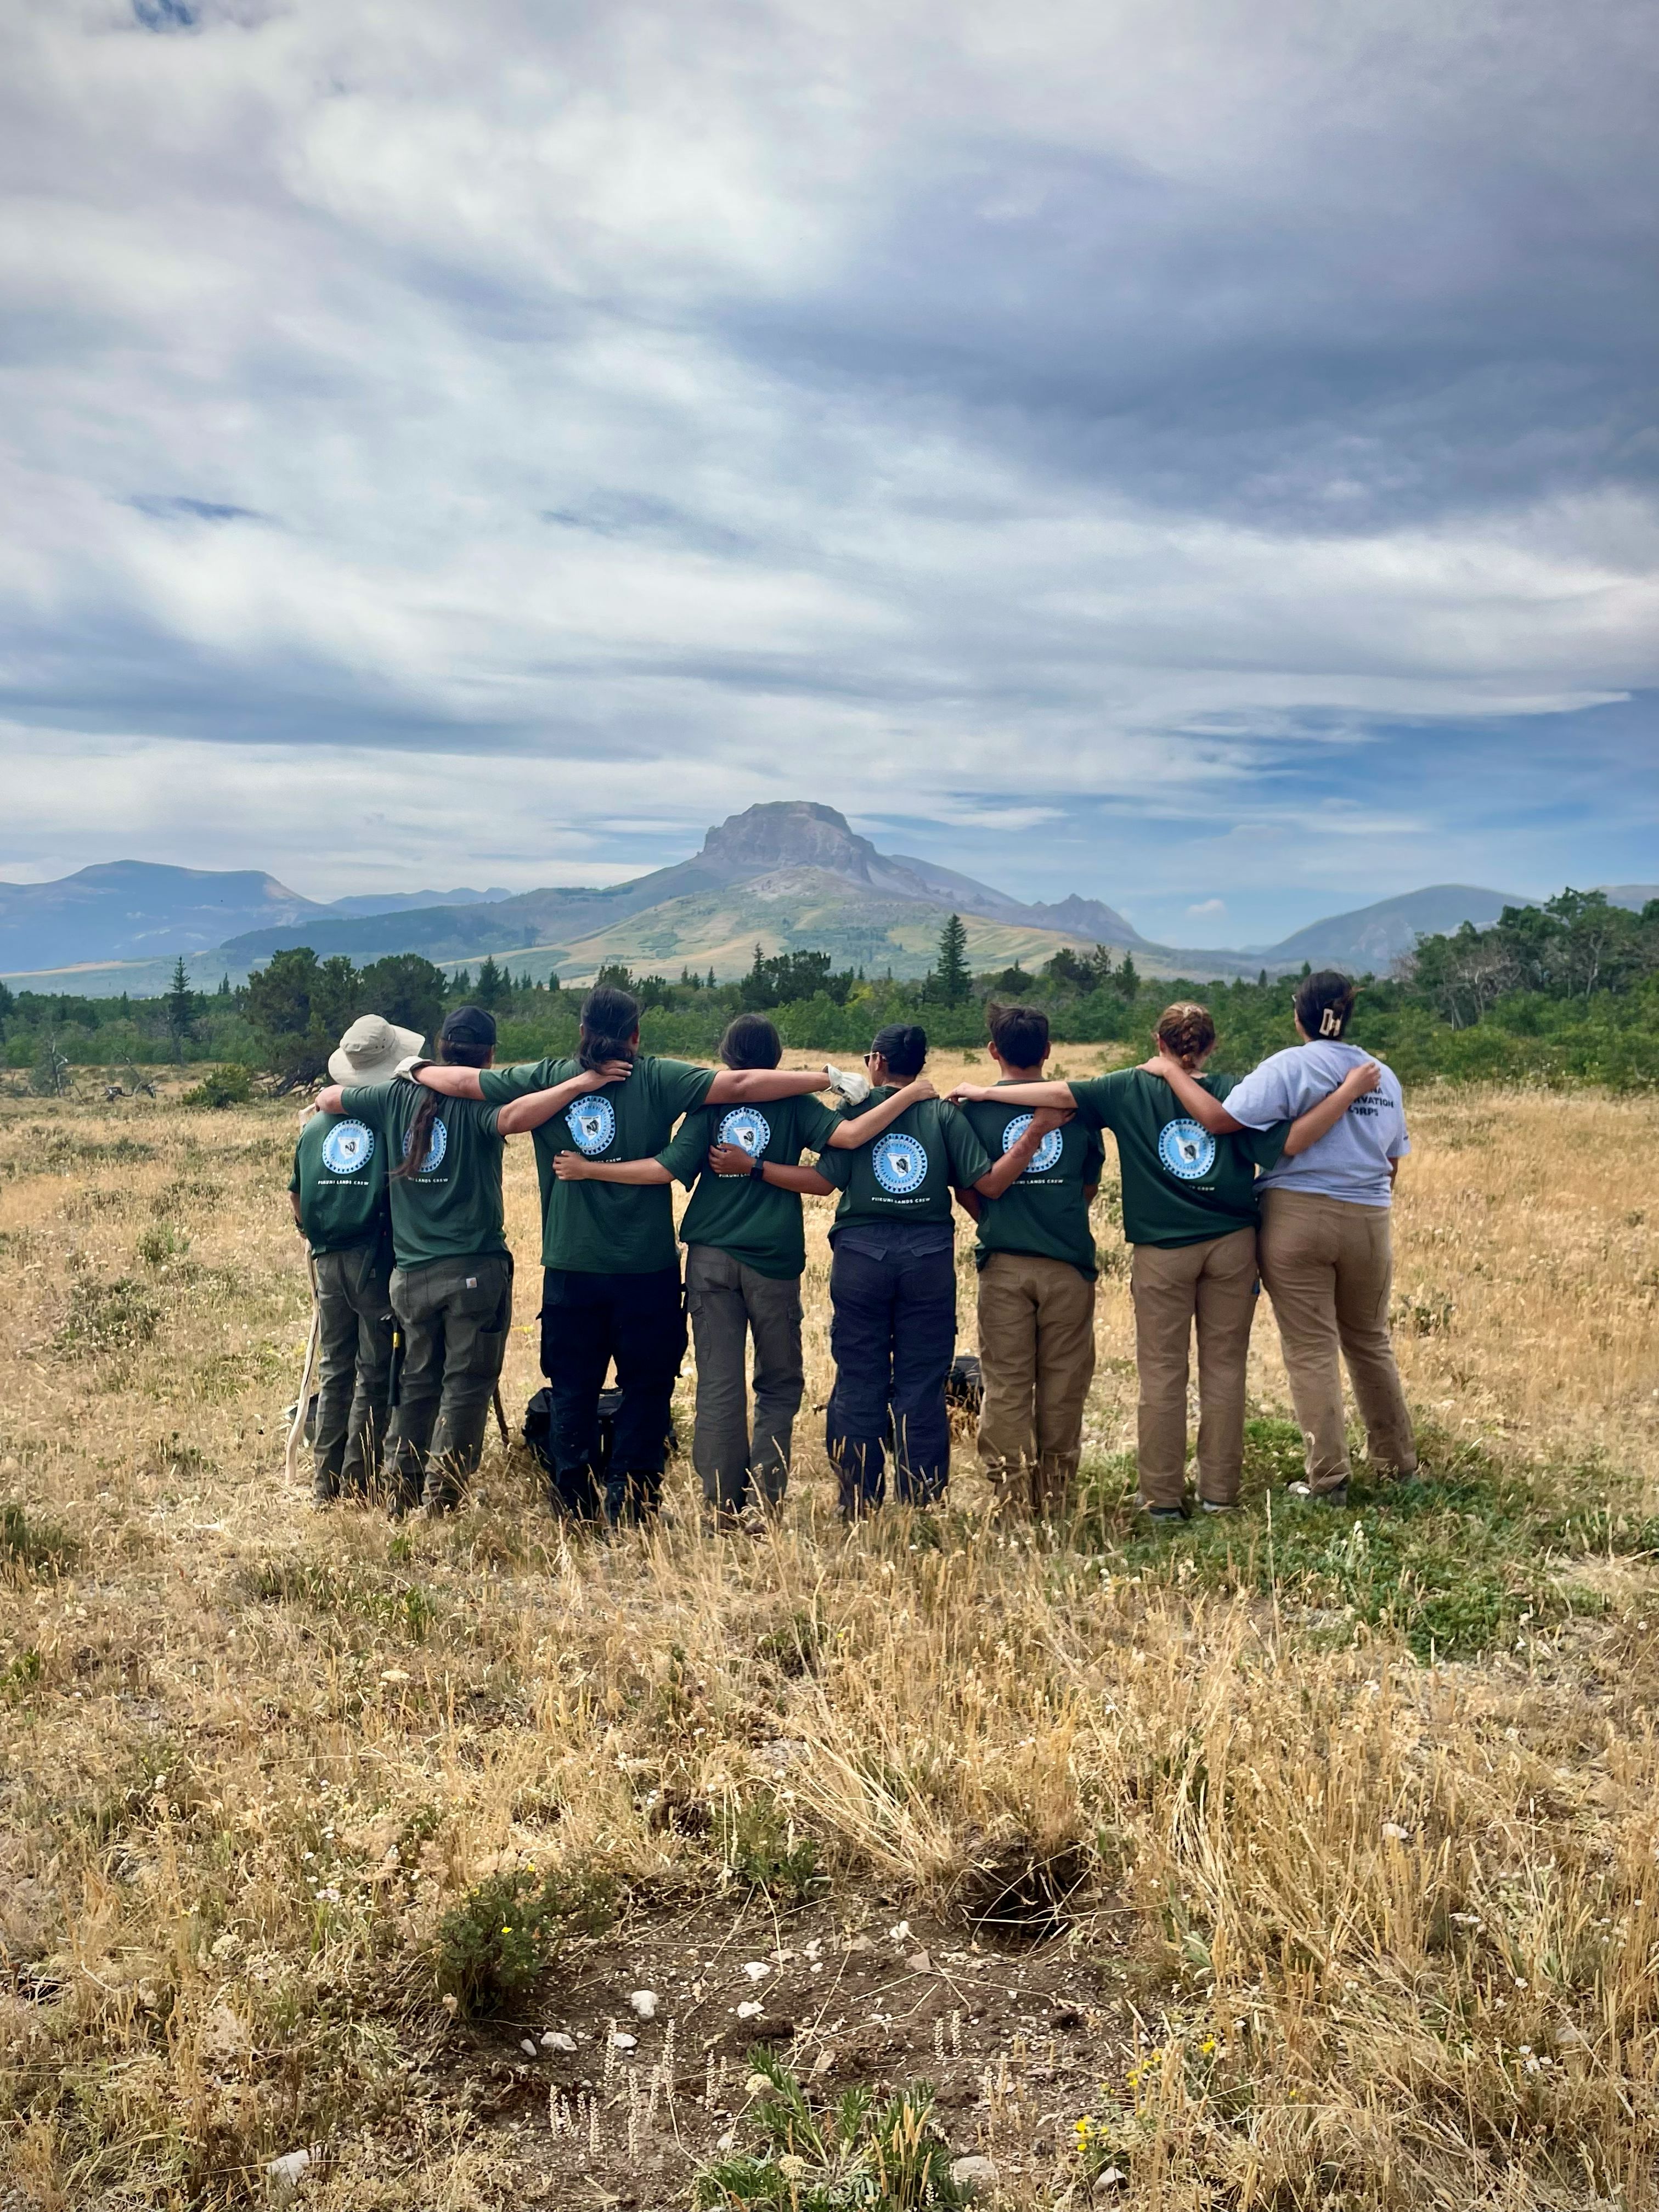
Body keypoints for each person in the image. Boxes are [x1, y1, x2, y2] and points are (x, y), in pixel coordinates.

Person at [408, 984, 843, 1526]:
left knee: (573, 1389)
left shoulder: (548, 1076)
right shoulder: (658, 1077)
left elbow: (464, 1082)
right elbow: (742, 1083)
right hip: (646, 1267)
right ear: (636, 1035)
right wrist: (828, 1077)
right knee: (647, 1389)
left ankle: (574, 1504)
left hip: (571, 1264)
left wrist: (416, 1069)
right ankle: (633, 1505)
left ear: (582, 1032)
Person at [954, 1002, 1378, 1522]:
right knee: (1225, 1371)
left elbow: (1061, 1094)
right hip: (1231, 1244)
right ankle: (1219, 1493)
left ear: (1158, 1042)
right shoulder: (1236, 1091)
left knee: (1161, 1373)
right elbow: (1285, 1141)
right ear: (1212, 1045)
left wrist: (984, 1093)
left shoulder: (1129, 1087)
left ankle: (1161, 1498)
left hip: (1162, 1250)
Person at [551, 1011, 934, 1523]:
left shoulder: (710, 1106)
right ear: (776, 1056)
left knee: (718, 1384)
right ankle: (765, 1503)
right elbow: (842, 1148)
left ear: (727, 1056)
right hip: (772, 1260)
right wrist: (908, 1095)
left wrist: (589, 1169)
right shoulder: (795, 1104)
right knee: (778, 1384)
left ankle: (721, 1505)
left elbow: (667, 1168)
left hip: (709, 1258)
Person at [313, 1006, 620, 1514]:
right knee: (466, 1385)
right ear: (490, 1055)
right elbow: (516, 1117)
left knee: (415, 1381)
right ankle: (442, 1498)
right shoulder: (479, 1102)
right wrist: (579, 1085)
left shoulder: (391, 1095)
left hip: (410, 1274)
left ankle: (401, 1491)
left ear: (440, 1046)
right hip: (473, 1269)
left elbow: (330, 1097)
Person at [1142, 970, 1415, 1507]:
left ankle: (1329, 1479)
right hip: (1370, 1217)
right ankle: (1397, 1462)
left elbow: (1223, 1120)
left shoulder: (1290, 1066)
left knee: (1312, 1348)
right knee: (1370, 1340)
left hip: (1298, 1215)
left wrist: (1171, 1072)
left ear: (1298, 1015)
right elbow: (1392, 1162)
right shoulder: (1381, 1075)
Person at [793, 1023, 1054, 1519]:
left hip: (861, 1254)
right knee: (923, 1382)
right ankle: (924, 1501)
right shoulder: (944, 1115)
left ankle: (858, 1502)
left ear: (877, 1061)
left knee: (859, 1379)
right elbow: (981, 1180)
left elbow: (827, 1179)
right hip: (928, 1256)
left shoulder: (856, 1112)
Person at [950, 1003, 1105, 1516]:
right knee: (1064, 1385)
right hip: (1068, 1262)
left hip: (1005, 1262)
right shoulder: (1077, 1111)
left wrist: (997, 1221)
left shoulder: (973, 1113)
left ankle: (1011, 1498)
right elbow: (1088, 1187)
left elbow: (967, 1190)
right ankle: (1056, 1495)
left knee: (1006, 1384)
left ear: (993, 1051)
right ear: (1049, 1051)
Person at [288, 1013, 415, 1504]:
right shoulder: (387, 1122)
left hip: (326, 1259)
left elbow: (296, 1195)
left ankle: (326, 1483)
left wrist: (312, 1232)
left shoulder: (314, 1127)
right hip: (373, 1259)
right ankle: (360, 1480)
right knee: (375, 1368)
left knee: (335, 1368)